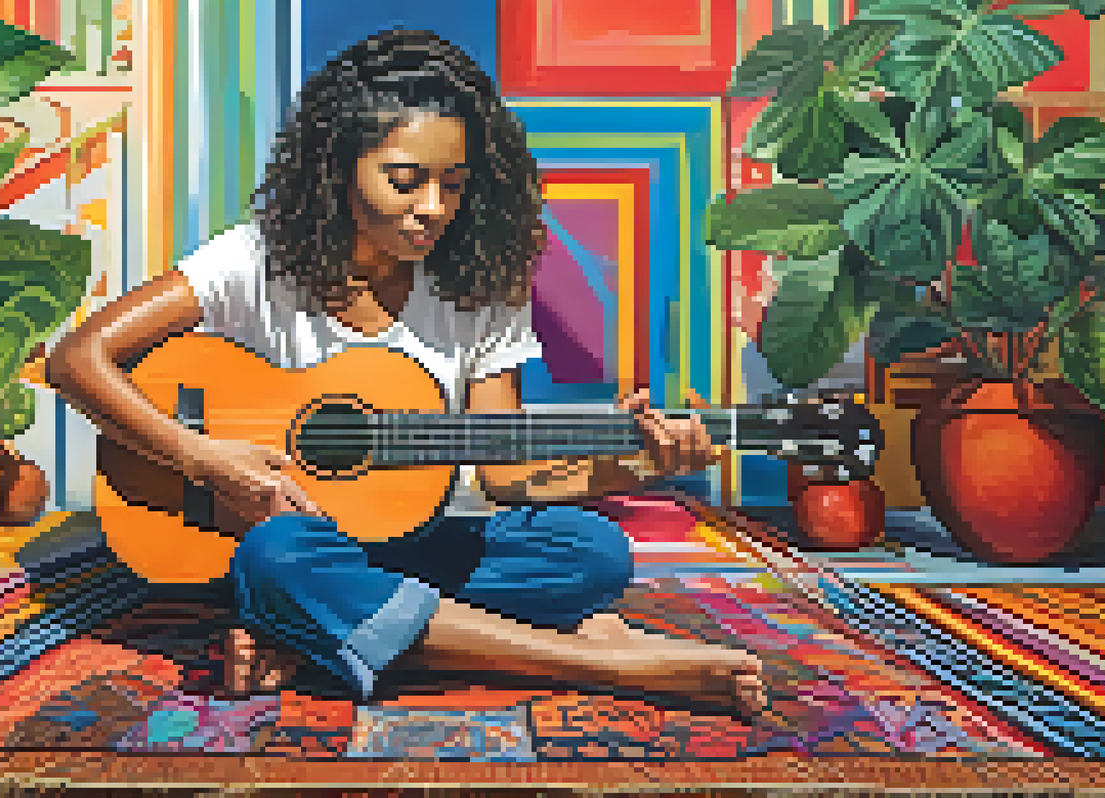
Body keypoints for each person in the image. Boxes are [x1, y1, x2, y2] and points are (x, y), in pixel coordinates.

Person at [48, 29, 766, 715]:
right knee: (277, 560)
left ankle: (321, 636)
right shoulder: (257, 261)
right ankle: (597, 661)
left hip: (410, 539)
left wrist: (637, 467)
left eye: (454, 185)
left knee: (594, 552)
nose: (433, 209)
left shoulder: (483, 286)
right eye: (405, 179)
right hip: (282, 538)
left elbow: (506, 474)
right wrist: (204, 460)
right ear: (338, 165)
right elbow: (76, 359)